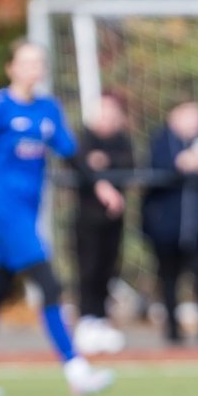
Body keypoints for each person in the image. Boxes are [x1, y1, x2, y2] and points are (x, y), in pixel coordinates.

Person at [0, 40, 116, 396]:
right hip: (6, 213)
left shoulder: (48, 109)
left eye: (38, 62)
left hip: (29, 211)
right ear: (11, 68)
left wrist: (100, 185)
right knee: (50, 285)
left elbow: (72, 155)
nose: (33, 69)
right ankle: (76, 370)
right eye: (26, 62)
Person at [141, 99, 198, 346]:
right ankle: (172, 330)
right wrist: (181, 163)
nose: (196, 122)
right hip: (166, 228)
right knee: (168, 279)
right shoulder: (162, 139)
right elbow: (156, 165)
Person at [71, 92, 131, 356]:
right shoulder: (84, 138)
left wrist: (106, 163)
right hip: (87, 219)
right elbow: (81, 164)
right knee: (88, 268)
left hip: (113, 220)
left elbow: (128, 164)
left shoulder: (122, 141)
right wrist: (99, 177)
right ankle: (86, 321)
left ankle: (101, 321)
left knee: (108, 269)